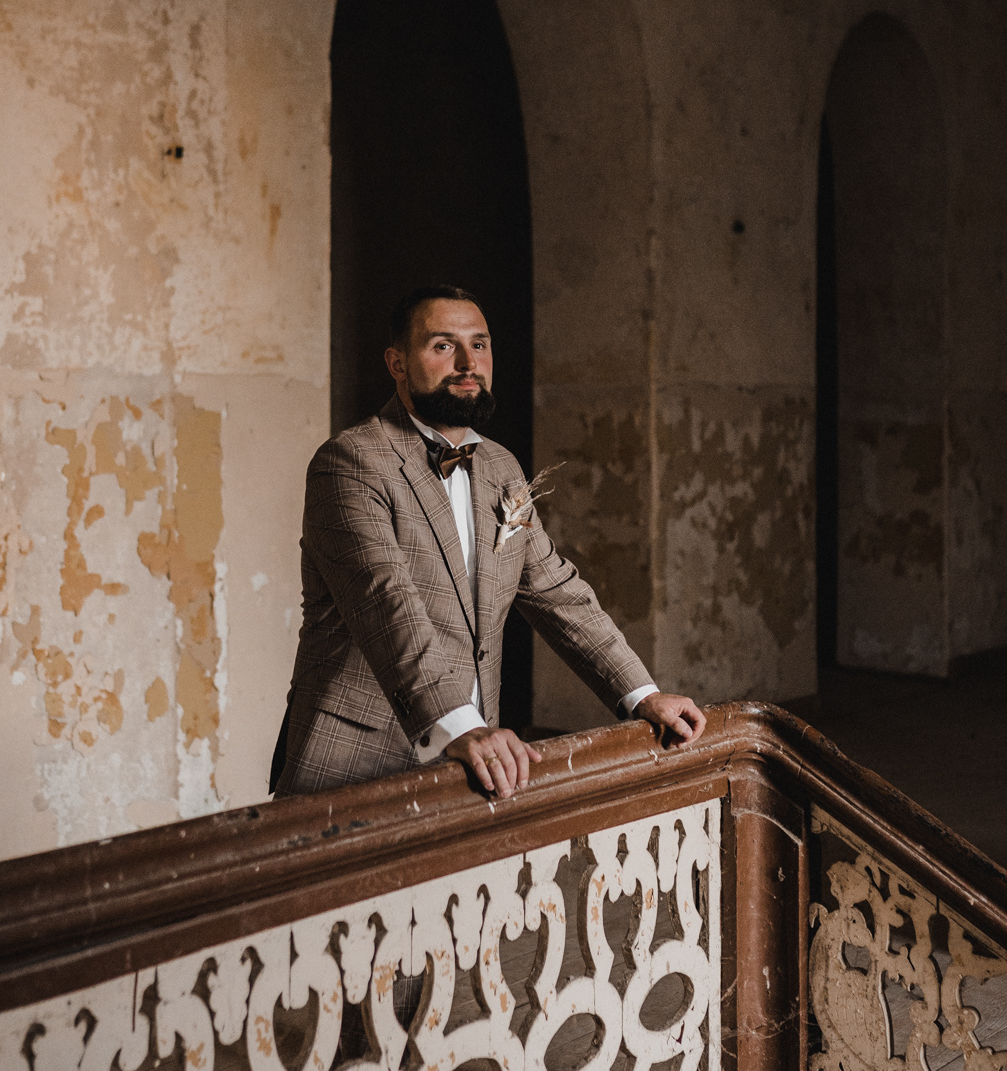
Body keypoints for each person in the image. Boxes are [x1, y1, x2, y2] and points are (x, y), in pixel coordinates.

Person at [272, 285, 705, 798]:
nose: (467, 363)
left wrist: (642, 694)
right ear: (397, 364)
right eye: (443, 346)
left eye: (479, 344)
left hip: (475, 765)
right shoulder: (350, 462)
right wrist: (461, 726)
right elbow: (386, 604)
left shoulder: (501, 467)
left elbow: (557, 592)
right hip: (353, 765)